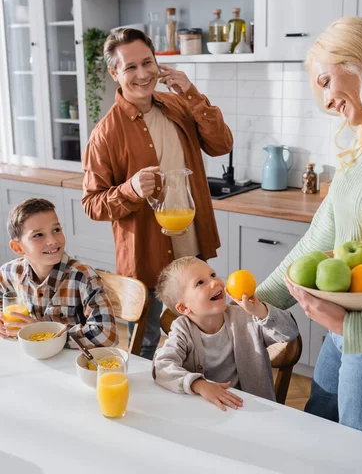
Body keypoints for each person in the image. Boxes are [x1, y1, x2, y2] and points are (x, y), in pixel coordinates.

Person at [256, 17, 362, 444]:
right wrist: (247, 307)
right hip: (343, 337)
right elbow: (320, 240)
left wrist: (352, 327)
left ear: (360, 62)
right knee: (318, 441)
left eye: (325, 81)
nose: (325, 101)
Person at [82, 28, 233, 360]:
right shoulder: (105, 134)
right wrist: (130, 189)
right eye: (130, 67)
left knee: (205, 336)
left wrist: (192, 93)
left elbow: (222, 144)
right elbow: (92, 203)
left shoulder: (179, 105)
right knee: (144, 344)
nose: (142, 74)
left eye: (147, 62)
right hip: (145, 257)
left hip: (192, 252)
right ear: (114, 73)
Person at [152, 256, 299, 410]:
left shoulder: (246, 317)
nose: (215, 282)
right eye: (200, 282)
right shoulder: (182, 330)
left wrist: (261, 311)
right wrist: (199, 385)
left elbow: (289, 332)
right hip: (208, 411)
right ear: (183, 308)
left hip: (253, 410)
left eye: (212, 275)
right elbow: (162, 366)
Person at [0, 198, 118, 348]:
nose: (52, 240)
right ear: (18, 248)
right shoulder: (10, 272)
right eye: (38, 235)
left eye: (56, 230)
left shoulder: (83, 277)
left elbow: (107, 335)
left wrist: (45, 332)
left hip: (72, 363)